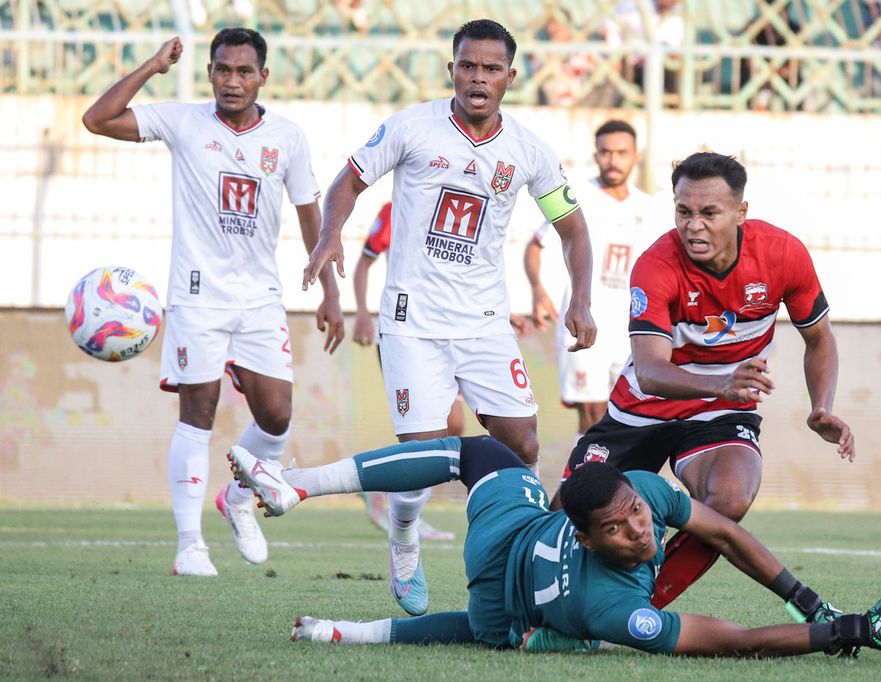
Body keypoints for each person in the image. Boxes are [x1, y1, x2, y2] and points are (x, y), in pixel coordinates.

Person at [302, 19, 596, 617]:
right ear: (451, 69)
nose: (478, 78)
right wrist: (331, 232)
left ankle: (515, 543)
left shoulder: (528, 151)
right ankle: (404, 537)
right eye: (468, 66)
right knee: (424, 455)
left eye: (491, 69)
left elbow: (573, 229)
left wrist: (581, 298)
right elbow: (346, 183)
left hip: (485, 322)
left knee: (522, 442)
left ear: (511, 77)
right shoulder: (413, 126)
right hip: (413, 320)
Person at [226, 436, 881, 657]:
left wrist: (807, 597)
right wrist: (838, 630)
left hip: (517, 528)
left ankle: (301, 494)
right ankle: (306, 495)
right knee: (494, 632)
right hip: (505, 594)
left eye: (639, 514)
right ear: (583, 536)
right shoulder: (614, 605)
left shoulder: (637, 491)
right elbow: (727, 638)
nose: (641, 529)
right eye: (618, 528)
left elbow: (726, 531)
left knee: (478, 453)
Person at [81, 28, 343, 576]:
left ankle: (238, 497)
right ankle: (189, 545)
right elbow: (98, 119)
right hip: (197, 298)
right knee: (197, 416)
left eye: (245, 71)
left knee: (276, 416)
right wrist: (153, 65)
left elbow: (309, 215)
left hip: (260, 300)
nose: (232, 80)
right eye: (223, 69)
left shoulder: (288, 138)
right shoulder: (185, 123)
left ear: (263, 77)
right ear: (209, 73)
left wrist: (331, 292)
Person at [554, 152, 855, 610]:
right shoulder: (656, 265)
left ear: (740, 213)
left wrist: (822, 407)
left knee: (728, 498)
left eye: (709, 213)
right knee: (563, 518)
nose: (693, 226)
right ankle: (523, 598)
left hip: (721, 410)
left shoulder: (782, 254)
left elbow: (820, 339)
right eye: (683, 211)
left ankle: (639, 608)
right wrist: (721, 383)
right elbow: (652, 372)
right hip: (642, 410)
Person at [525, 119, 660, 439]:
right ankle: (585, 486)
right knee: (593, 417)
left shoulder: (649, 208)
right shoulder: (576, 196)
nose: (613, 160)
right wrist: (538, 290)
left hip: (631, 327)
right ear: (596, 155)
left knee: (632, 416)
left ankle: (615, 486)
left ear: (635, 156)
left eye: (621, 153)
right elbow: (535, 245)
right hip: (585, 321)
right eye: (605, 152)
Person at [352, 200, 460, 541]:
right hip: (404, 330)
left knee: (451, 427)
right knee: (423, 430)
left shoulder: (457, 203)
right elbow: (363, 264)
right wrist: (363, 313)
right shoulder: (392, 210)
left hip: (452, 327)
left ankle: (389, 492)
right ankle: (406, 516)